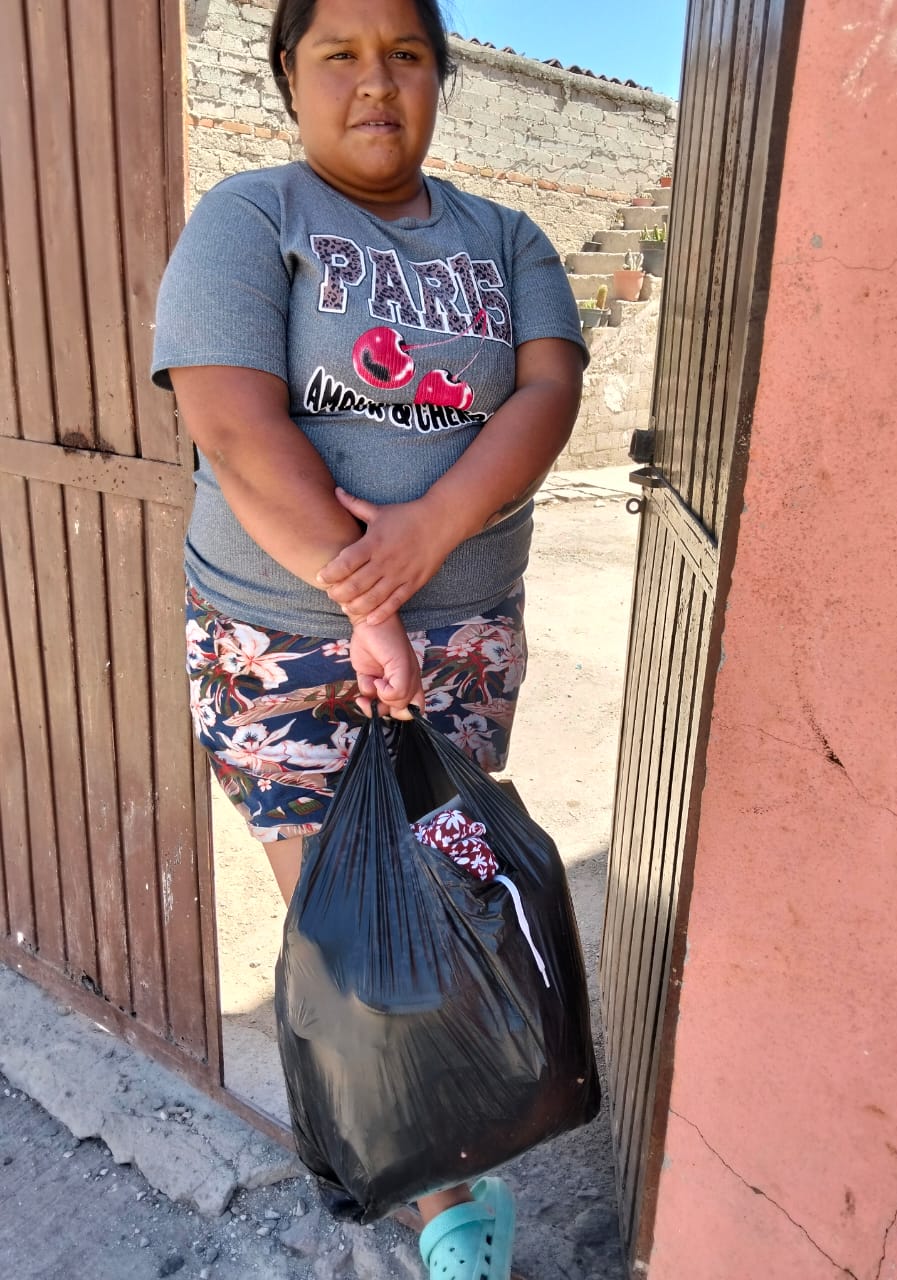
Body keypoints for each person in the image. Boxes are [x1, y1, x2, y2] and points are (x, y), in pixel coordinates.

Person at [152, 1, 586, 1275]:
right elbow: (233, 424)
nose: (375, 80)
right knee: (341, 914)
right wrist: (366, 599)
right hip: (277, 643)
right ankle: (434, 1190)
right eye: (338, 52)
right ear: (291, 74)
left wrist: (426, 536)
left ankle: (442, 1156)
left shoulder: (508, 239)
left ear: (442, 78)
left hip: (455, 639)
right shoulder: (252, 216)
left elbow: (549, 393)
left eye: (404, 52)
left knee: (447, 889)